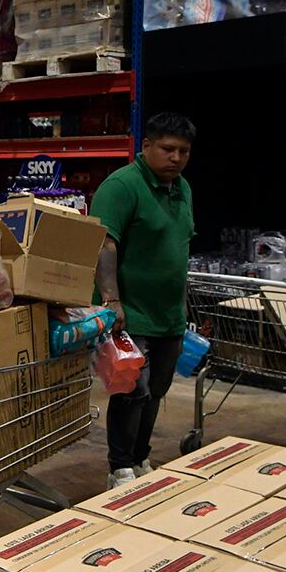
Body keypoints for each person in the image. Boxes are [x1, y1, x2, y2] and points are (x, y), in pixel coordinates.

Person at [92, 112, 196, 489]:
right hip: (130, 314)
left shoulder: (182, 189)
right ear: (147, 146)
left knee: (157, 392)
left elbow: (179, 248)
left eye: (184, 151)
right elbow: (105, 243)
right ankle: (119, 467)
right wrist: (112, 300)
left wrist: (182, 306)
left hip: (168, 315)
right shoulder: (121, 187)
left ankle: (139, 457)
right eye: (168, 149)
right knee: (132, 390)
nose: (176, 157)